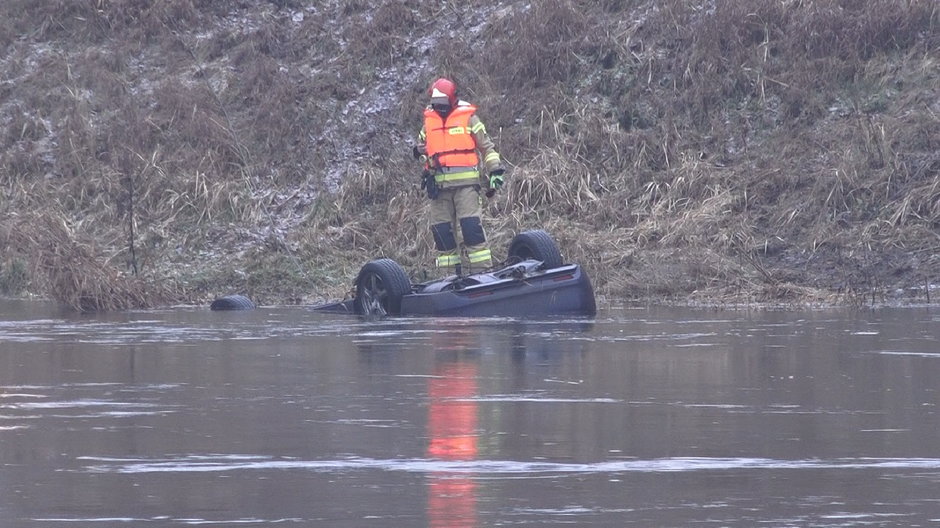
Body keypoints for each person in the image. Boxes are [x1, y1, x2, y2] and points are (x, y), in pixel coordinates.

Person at [413, 77, 505, 276]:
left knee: (472, 231)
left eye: (443, 104)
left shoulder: (469, 118)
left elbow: (487, 147)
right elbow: (422, 148)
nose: (439, 108)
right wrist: (418, 151)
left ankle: (483, 277)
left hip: (466, 188)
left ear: (453, 100)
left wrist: (495, 170)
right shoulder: (429, 121)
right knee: (442, 236)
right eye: (436, 104)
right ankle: (448, 282)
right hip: (438, 189)